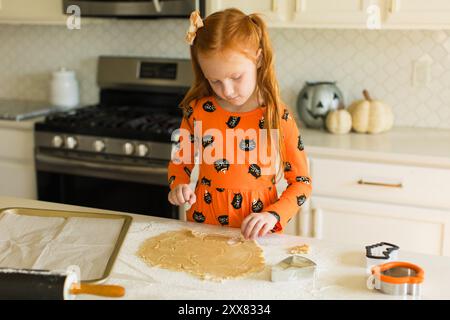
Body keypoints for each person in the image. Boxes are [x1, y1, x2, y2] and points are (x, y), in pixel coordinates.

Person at [167, 8, 312, 240]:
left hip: (258, 234)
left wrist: (273, 216)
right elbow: (179, 163)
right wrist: (179, 187)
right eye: (215, 81)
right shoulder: (197, 111)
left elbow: (301, 183)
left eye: (236, 77)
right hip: (203, 228)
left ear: (259, 59)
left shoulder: (277, 116)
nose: (227, 90)